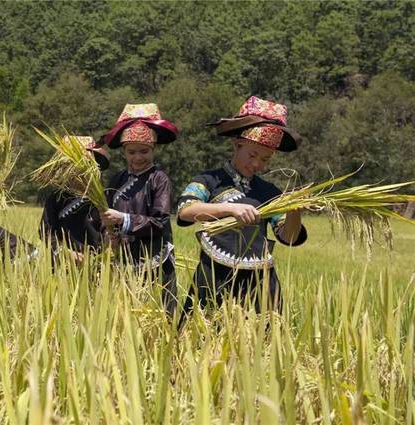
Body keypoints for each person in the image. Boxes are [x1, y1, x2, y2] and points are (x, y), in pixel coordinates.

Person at [177, 96, 307, 317]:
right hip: (214, 274)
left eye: (265, 159)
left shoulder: (270, 192)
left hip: (260, 279)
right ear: (236, 145)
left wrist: (295, 210)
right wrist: (229, 210)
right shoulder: (209, 180)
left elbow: (289, 237)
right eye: (252, 155)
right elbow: (186, 211)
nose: (257, 164)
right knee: (203, 337)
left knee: (263, 342)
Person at [100, 103, 179, 316]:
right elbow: (106, 214)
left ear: (154, 149)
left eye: (144, 151)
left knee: (161, 316)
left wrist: (123, 219)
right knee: (124, 315)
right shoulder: (116, 179)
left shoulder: (159, 179)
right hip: (125, 260)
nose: (138, 157)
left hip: (155, 260)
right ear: (124, 152)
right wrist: (110, 234)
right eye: (131, 152)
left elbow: (160, 222)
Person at [39, 136, 110, 265]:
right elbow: (46, 232)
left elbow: (109, 228)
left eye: (85, 167)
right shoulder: (56, 198)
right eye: (73, 168)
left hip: (99, 264)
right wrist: (66, 253)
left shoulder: (103, 197)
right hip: (65, 265)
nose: (79, 174)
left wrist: (108, 244)